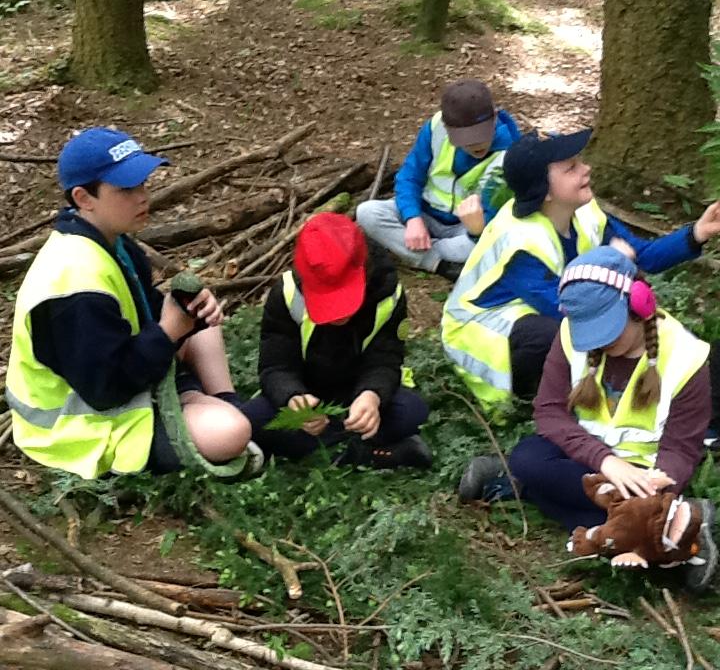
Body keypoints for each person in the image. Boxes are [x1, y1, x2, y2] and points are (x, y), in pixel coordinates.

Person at [5, 127, 258, 480]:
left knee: (203, 324)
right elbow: (106, 390)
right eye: (126, 189)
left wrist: (186, 309)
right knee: (230, 432)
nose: (142, 197)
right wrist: (169, 332)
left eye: (142, 184)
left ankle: (223, 401)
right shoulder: (74, 285)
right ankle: (211, 411)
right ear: (84, 197)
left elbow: (142, 311)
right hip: (88, 424)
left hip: (134, 373)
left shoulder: (115, 242)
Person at [460, 246, 717, 591]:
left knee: (634, 515)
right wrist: (606, 462)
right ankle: (666, 530)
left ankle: (664, 525)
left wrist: (657, 486)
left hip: (643, 478)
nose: (600, 342)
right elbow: (549, 412)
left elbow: (682, 449)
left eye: (608, 329)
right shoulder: (570, 334)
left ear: (639, 304)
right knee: (528, 457)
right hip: (585, 463)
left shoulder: (686, 358)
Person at [442, 129, 720, 403]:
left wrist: (698, 232)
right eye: (571, 168)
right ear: (543, 191)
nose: (586, 169)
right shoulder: (519, 243)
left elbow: (643, 255)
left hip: (540, 309)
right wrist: (619, 270)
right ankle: (537, 400)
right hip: (482, 330)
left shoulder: (586, 214)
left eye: (580, 161)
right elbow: (570, 311)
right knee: (556, 336)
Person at [240, 212, 432, 469]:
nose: (339, 315)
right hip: (310, 394)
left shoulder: (388, 294)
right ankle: (365, 452)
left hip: (357, 394)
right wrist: (293, 398)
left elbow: (386, 359)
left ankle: (327, 449)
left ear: (364, 272)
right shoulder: (286, 295)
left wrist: (372, 396)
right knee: (248, 421)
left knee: (412, 411)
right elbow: (275, 367)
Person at [356, 79, 521, 281]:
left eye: (480, 134)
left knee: (490, 244)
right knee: (367, 213)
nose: (475, 144)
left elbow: (492, 219)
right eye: (464, 138)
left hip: (464, 229)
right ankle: (437, 263)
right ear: (446, 126)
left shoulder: (511, 154)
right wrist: (412, 218)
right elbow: (410, 175)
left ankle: (418, 252)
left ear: (494, 118)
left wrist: (476, 231)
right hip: (425, 213)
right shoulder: (435, 128)